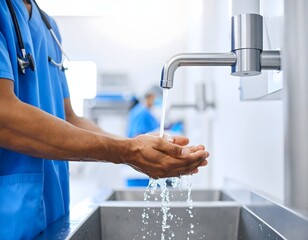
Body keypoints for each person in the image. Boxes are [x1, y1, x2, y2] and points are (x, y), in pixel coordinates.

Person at [0, 0, 209, 239]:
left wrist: (135, 144)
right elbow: (3, 117)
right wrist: (128, 151)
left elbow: (68, 117)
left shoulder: (49, 28)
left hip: (53, 216)